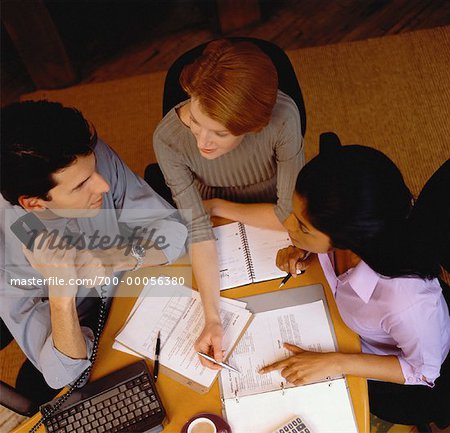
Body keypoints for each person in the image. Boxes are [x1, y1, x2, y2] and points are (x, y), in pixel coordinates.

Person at [0, 101, 187, 403]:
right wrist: (61, 297)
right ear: (34, 204)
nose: (102, 185)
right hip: (89, 338)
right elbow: (64, 374)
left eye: (95, 171)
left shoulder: (88, 159)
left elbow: (174, 230)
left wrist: (117, 256)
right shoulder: (5, 253)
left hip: (137, 295)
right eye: (82, 185)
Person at [259, 137, 450, 426]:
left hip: (401, 378)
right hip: (349, 327)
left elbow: (425, 372)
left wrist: (335, 363)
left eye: (302, 226)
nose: (286, 225)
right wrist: (307, 248)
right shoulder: (348, 230)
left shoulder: (406, 302)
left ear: (349, 237)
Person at [152, 39, 304, 368]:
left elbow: (289, 214)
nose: (202, 142)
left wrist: (219, 206)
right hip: (215, 225)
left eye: (219, 133)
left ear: (252, 127)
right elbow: (198, 228)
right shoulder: (167, 139)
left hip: (263, 213)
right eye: (194, 119)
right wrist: (212, 319)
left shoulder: (282, 118)